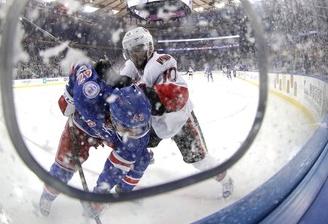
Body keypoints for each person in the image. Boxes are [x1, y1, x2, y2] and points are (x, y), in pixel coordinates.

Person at [120, 27, 234, 199]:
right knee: (133, 145)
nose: (136, 56)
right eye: (132, 52)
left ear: (150, 47)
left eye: (139, 50)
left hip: (179, 119)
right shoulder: (130, 67)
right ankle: (147, 155)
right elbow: (118, 89)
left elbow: (176, 95)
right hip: (154, 121)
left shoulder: (162, 62)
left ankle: (226, 180)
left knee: (200, 161)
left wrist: (141, 95)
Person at [39, 59, 152, 218]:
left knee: (141, 159)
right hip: (82, 127)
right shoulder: (89, 92)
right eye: (127, 129)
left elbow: (115, 168)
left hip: (109, 133)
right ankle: (47, 195)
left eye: (139, 128)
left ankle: (123, 191)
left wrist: (99, 196)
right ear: (113, 115)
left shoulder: (137, 131)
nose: (133, 134)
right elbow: (79, 63)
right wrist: (70, 94)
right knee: (64, 166)